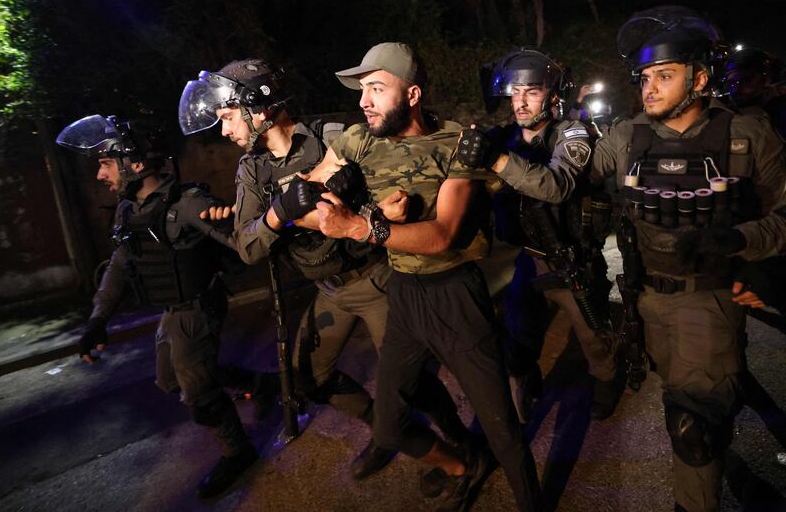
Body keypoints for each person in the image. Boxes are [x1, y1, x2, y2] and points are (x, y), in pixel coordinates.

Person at [178, 59, 470, 480]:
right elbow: (247, 247)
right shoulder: (252, 170)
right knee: (308, 379)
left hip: (373, 279)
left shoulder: (331, 138)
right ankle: (384, 431)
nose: (224, 130)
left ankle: (457, 439)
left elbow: (397, 188)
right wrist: (280, 211)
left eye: (227, 117)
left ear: (259, 108)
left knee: (412, 384)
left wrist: (373, 208)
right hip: (329, 289)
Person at [305, 42, 542, 512]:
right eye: (362, 89)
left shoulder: (456, 144)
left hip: (457, 294)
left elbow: (443, 235)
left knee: (502, 430)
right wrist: (366, 213)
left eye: (376, 88)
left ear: (412, 94)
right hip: (405, 295)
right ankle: (465, 464)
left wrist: (361, 225)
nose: (363, 100)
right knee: (389, 427)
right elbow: (306, 205)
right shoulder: (358, 140)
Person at [590, 6, 786, 512]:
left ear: (699, 78)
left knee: (693, 427)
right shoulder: (627, 134)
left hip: (709, 300)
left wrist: (738, 241)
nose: (649, 88)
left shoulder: (748, 134)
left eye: (664, 76)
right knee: (679, 395)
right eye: (645, 78)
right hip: (647, 299)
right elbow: (567, 180)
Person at [56, 114, 272, 499]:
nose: (100, 176)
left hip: (197, 309)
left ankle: (239, 452)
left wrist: (250, 219)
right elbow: (120, 266)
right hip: (171, 311)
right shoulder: (129, 211)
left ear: (135, 164)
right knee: (169, 380)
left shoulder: (187, 204)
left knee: (198, 394)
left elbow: (246, 243)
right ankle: (258, 383)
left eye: (105, 164)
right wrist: (97, 320)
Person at [455, 48, 621, 422]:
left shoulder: (573, 134)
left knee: (594, 336)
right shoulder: (506, 137)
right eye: (515, 93)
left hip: (571, 258)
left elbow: (557, 186)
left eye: (531, 92)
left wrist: (496, 160)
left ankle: (608, 378)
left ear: (553, 96)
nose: (521, 102)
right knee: (519, 329)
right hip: (528, 257)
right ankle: (525, 379)